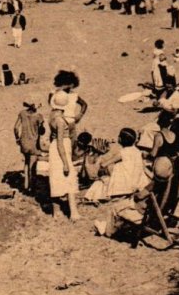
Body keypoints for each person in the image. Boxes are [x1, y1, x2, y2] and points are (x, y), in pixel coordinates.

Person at [83, 128, 150, 203]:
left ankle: (92, 198)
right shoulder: (137, 152)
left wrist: (99, 155)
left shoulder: (122, 152)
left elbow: (104, 165)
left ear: (120, 139)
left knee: (99, 183)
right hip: (137, 184)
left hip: (124, 185)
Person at [48, 91, 81, 221]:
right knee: (70, 178)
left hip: (53, 148)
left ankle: (56, 212)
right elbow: (60, 143)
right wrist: (66, 163)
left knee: (55, 179)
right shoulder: (61, 121)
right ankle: (73, 212)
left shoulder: (51, 117)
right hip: (61, 150)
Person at [14, 100, 45, 192]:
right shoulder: (38, 116)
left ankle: (25, 185)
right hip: (33, 144)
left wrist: (17, 138)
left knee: (26, 163)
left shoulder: (22, 113)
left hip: (24, 142)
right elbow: (42, 132)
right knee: (33, 167)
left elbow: (16, 128)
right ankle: (32, 187)